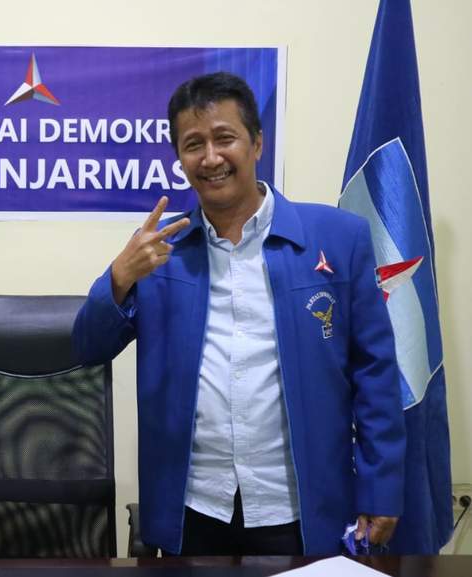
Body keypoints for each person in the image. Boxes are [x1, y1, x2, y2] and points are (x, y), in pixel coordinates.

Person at [72, 72, 405, 555]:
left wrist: (381, 488)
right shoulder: (159, 252)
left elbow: (375, 373)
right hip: (194, 508)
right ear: (180, 158)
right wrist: (119, 278)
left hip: (299, 506)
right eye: (193, 144)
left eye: (224, 138)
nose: (210, 158)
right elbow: (89, 347)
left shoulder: (339, 238)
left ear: (257, 143)